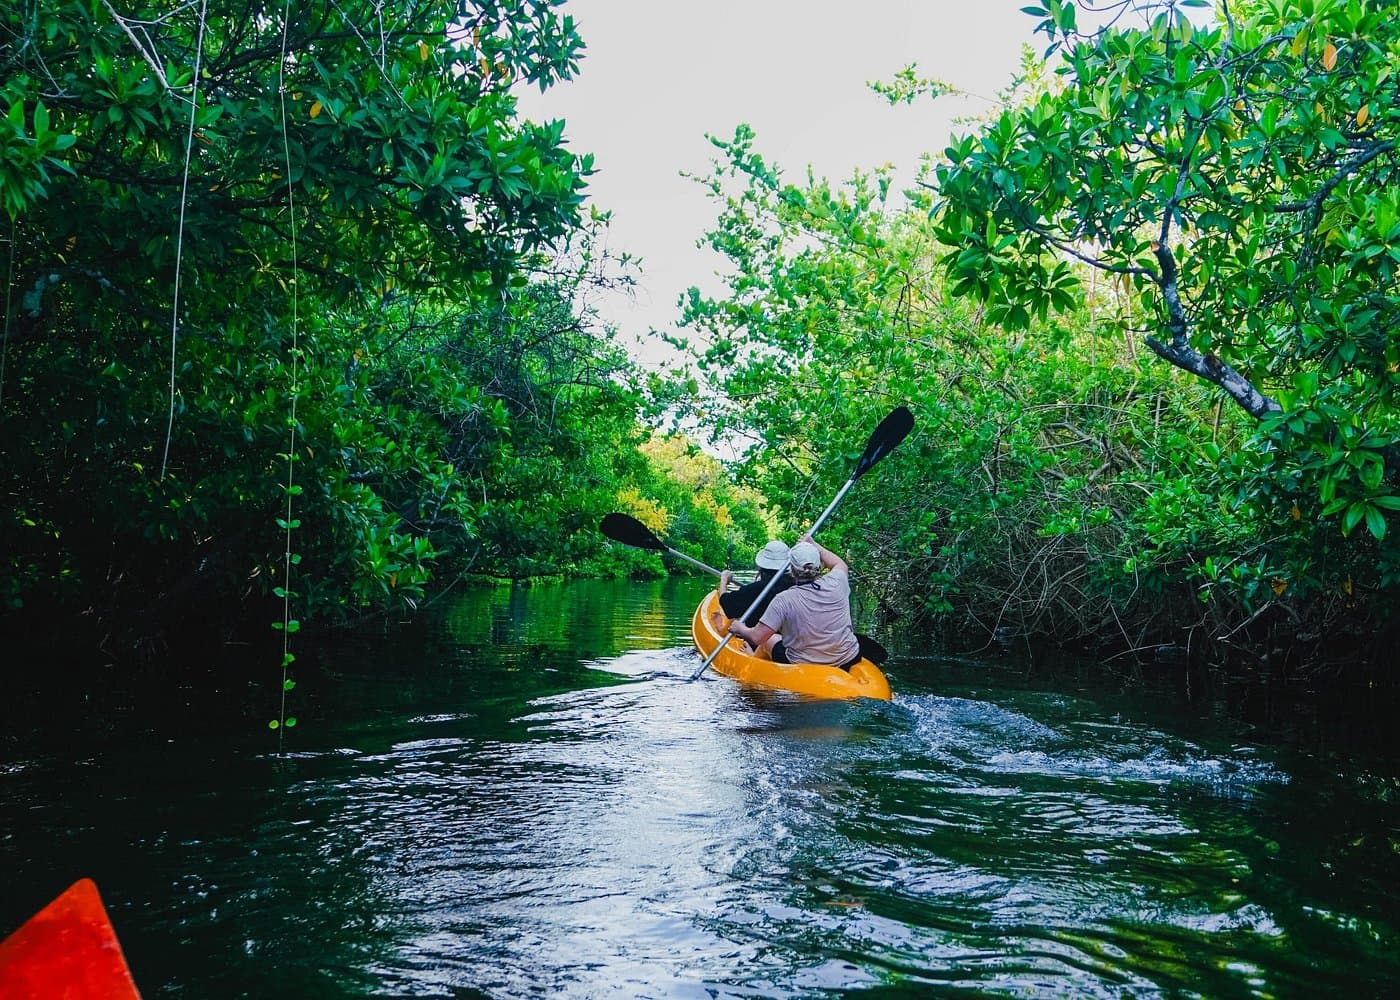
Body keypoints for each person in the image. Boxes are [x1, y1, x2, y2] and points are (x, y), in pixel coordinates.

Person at [727, 535, 862, 668]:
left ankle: (752, 660)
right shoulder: (837, 581)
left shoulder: (784, 599)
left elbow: (757, 637)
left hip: (805, 663)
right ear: (819, 565)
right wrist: (813, 544)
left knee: (770, 639)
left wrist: (740, 628)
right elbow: (839, 563)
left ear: (791, 568)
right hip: (848, 657)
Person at [713, 540, 793, 630]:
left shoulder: (755, 589)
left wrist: (724, 579)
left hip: (756, 640)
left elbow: (726, 604)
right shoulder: (796, 585)